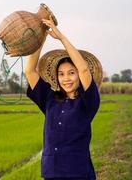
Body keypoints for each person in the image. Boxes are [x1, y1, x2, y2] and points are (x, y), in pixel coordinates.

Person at [25, 16, 100, 180]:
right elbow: (30, 71)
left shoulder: (87, 103)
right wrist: (41, 36)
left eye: (71, 73)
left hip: (78, 173)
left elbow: (85, 70)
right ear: (56, 78)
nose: (66, 78)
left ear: (78, 76)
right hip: (51, 171)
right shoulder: (49, 99)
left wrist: (62, 38)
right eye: (61, 74)